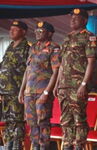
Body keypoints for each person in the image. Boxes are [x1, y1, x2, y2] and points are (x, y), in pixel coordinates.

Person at [53, 8, 97, 150]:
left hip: (77, 86)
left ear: (84, 21)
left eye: (76, 18)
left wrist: (84, 84)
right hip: (64, 86)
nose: (72, 20)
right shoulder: (67, 37)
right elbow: (62, 64)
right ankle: (67, 145)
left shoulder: (89, 37)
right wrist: (57, 84)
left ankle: (79, 146)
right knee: (65, 120)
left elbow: (91, 62)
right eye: (71, 18)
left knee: (79, 120)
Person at [18, 21, 60, 150]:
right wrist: (21, 91)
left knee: (43, 123)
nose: (37, 33)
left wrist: (47, 93)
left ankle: (43, 147)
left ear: (50, 33)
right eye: (36, 31)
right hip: (29, 92)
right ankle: (35, 147)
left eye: (41, 31)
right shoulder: (33, 47)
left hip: (43, 92)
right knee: (32, 123)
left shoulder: (54, 47)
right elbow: (27, 70)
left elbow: (56, 71)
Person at [0, 21, 30, 150]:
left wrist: (23, 90)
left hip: (17, 90)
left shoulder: (27, 48)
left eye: (15, 29)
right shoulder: (11, 46)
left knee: (17, 121)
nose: (11, 31)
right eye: (11, 29)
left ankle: (16, 146)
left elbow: (29, 70)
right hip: (5, 90)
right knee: (8, 120)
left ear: (23, 32)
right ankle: (8, 145)